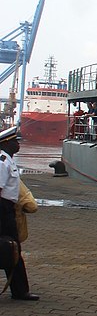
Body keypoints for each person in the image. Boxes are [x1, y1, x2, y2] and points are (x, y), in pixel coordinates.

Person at [0, 126, 38, 301]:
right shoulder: (2, 162)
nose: (18, 145)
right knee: (11, 248)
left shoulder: (8, 160)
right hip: (2, 209)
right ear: (6, 143)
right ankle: (20, 291)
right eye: (15, 142)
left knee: (11, 249)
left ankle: (20, 290)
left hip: (8, 209)